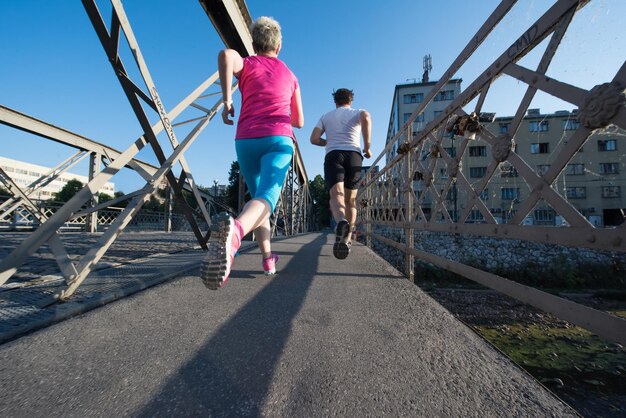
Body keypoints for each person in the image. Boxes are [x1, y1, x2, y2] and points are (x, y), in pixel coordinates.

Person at [202, 16, 304, 290]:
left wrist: (227, 100)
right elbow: (300, 121)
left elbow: (225, 55)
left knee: (260, 201)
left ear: (254, 43)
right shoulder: (291, 76)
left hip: (246, 139)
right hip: (278, 139)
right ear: (279, 46)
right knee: (267, 198)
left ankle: (268, 258)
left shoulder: (247, 64)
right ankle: (235, 234)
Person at [310, 88, 371, 259]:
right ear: (350, 100)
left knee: (336, 195)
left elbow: (314, 139)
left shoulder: (326, 116)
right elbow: (366, 117)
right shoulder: (357, 112)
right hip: (354, 155)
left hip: (334, 155)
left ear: (334, 101)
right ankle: (348, 238)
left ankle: (341, 221)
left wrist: (329, 141)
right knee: (350, 200)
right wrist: (367, 146)